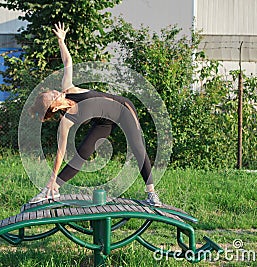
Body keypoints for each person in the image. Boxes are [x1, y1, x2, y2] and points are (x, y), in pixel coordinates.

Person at [29, 22, 162, 206]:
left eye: (52, 91)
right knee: (82, 153)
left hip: (123, 108)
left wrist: (61, 41)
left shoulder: (69, 89)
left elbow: (68, 62)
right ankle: (52, 189)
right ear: (55, 107)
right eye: (53, 95)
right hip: (103, 123)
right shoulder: (66, 122)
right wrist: (52, 177)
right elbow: (60, 152)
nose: (55, 91)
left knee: (138, 147)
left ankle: (152, 194)